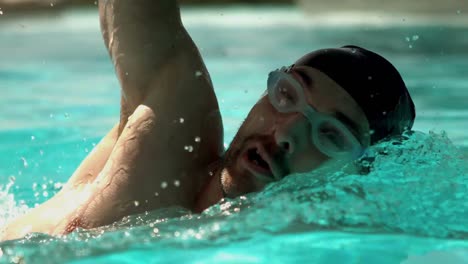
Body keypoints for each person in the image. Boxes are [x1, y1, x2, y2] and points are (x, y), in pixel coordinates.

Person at [0, 0, 415, 241]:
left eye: (331, 135)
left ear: (358, 173)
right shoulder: (173, 136)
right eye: (287, 95)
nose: (285, 132)